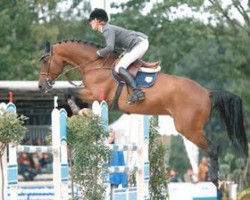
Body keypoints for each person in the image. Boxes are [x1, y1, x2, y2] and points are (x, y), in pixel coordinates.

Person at [89, 8, 149, 104]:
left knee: (119, 68)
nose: (90, 23)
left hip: (139, 44)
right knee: (122, 64)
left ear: (96, 20)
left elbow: (110, 48)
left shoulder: (107, 29)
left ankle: (138, 92)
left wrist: (98, 53)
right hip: (137, 44)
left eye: (91, 20)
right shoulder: (107, 29)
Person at [107, 129, 128, 200]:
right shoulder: (101, 149)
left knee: (113, 198)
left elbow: (122, 164)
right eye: (108, 136)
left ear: (114, 137)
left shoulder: (118, 149)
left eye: (111, 136)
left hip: (114, 179)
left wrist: (124, 182)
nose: (110, 138)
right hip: (104, 179)